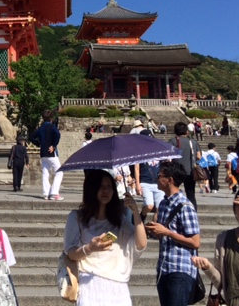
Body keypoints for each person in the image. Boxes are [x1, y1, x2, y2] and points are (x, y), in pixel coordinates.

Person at [63, 170, 146, 306]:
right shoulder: (77, 217)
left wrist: (136, 212)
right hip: (90, 284)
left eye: (109, 186)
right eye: (101, 186)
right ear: (91, 189)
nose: (105, 191)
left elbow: (141, 244)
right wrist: (90, 248)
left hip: (118, 287)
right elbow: (70, 253)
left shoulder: (120, 220)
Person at [145, 161, 201, 306]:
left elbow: (195, 242)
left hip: (180, 269)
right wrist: (153, 230)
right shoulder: (163, 203)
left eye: (159, 176)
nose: (156, 179)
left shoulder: (185, 206)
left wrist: (167, 232)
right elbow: (162, 234)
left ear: (169, 180)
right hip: (164, 268)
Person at [168, 121, 202, 211]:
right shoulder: (193, 142)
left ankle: (173, 210)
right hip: (190, 171)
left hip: (176, 171)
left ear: (175, 131)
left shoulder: (173, 141)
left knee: (173, 192)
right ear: (187, 131)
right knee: (191, 194)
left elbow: (168, 157)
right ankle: (193, 211)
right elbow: (199, 156)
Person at [31, 110, 64, 201]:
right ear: (51, 118)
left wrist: (38, 143)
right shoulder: (52, 127)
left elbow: (31, 136)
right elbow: (58, 135)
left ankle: (46, 193)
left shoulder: (41, 128)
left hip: (43, 153)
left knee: (45, 173)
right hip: (50, 152)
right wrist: (53, 145)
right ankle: (54, 193)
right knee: (59, 171)